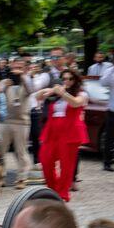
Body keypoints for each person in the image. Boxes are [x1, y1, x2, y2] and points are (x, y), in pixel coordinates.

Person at [37, 69, 88, 202]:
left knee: (67, 165)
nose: (67, 81)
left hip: (70, 131)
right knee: (45, 159)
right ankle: (52, 190)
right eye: (64, 79)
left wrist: (62, 92)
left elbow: (75, 103)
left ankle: (62, 193)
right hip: (52, 131)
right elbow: (37, 96)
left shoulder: (82, 94)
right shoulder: (56, 94)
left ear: (75, 80)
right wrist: (50, 90)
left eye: (70, 79)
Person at [30, 47, 67, 168]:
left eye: (57, 57)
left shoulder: (69, 73)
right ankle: (46, 169)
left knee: (67, 147)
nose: (54, 59)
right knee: (49, 145)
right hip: (51, 115)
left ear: (64, 58)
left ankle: (71, 175)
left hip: (68, 114)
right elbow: (36, 87)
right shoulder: (47, 74)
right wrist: (32, 76)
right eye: (52, 57)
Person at [0, 58, 33, 189]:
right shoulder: (6, 81)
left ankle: (22, 178)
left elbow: (31, 90)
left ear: (24, 68)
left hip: (22, 122)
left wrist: (22, 76)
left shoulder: (27, 80)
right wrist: (4, 86)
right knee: (1, 149)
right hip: (6, 120)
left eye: (19, 67)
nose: (16, 70)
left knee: (21, 151)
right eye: (14, 67)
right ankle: (0, 177)